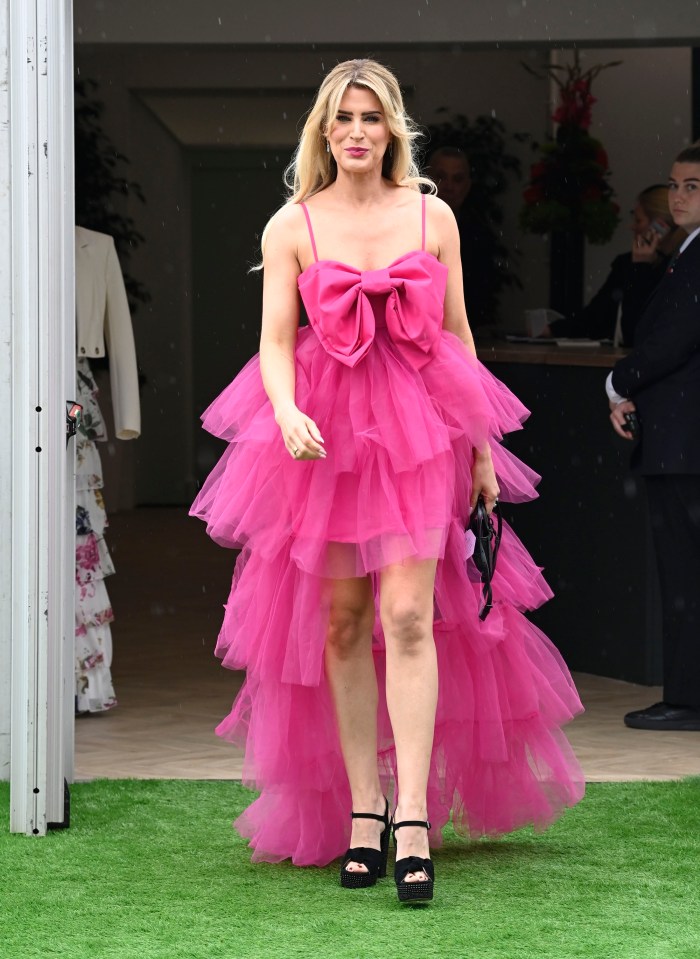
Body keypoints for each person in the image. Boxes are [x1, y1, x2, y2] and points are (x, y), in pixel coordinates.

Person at [191, 58, 584, 904]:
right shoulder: (291, 225)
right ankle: (362, 812)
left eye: (372, 117)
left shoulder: (431, 216)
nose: (358, 132)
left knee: (409, 613)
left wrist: (480, 447)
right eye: (344, 119)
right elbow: (271, 342)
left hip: (418, 432)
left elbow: (460, 338)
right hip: (322, 438)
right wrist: (287, 409)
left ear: (393, 127)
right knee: (341, 621)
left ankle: (411, 818)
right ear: (324, 132)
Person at [607, 142, 700, 731]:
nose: (679, 195)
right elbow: (651, 325)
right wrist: (642, 267)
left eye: (693, 186)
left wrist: (620, 382)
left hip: (686, 442)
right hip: (679, 438)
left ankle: (688, 698)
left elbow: (675, 338)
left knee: (685, 574)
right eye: (674, 184)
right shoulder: (683, 251)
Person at [540, 185, 684, 344]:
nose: (633, 227)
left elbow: (637, 331)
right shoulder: (625, 264)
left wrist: (640, 268)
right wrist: (554, 329)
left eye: (638, 220)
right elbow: (597, 316)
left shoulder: (682, 266)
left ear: (660, 227)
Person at [426, 146, 501, 327]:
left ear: (467, 186)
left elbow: (483, 296)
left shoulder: (480, 236)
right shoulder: (409, 226)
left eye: (457, 179)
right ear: (427, 179)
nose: (449, 186)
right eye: (441, 177)